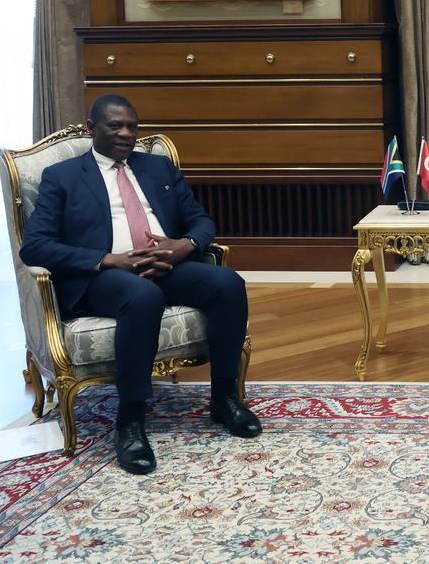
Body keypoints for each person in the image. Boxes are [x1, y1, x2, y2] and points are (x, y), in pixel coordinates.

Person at [20, 94, 260, 474]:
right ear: (91, 129)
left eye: (132, 126)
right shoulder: (63, 177)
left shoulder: (157, 168)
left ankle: (224, 398)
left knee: (227, 283)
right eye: (115, 126)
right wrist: (107, 259)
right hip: (102, 276)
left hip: (167, 264)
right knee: (142, 296)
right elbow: (34, 246)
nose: (126, 133)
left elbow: (200, 220)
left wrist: (185, 245)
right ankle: (130, 421)